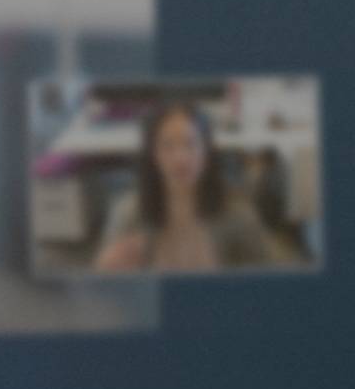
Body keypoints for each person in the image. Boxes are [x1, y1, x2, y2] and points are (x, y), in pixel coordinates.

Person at [86, 94, 287, 272]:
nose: (180, 158)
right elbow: (106, 297)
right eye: (167, 145)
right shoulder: (128, 215)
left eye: (190, 143)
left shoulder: (239, 217)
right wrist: (107, 269)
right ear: (153, 155)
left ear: (206, 152)